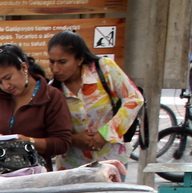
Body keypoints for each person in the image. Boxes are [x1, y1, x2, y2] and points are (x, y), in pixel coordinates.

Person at [47, 31, 144, 169]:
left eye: (62, 62)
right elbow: (48, 129)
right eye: (52, 61)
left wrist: (105, 133)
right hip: (72, 165)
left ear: (79, 59)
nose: (55, 68)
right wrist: (73, 139)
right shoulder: (52, 90)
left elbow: (134, 98)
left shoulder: (104, 68)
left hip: (111, 159)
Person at [0, 44, 72, 166]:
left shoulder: (51, 96)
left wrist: (28, 141)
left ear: (24, 67)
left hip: (34, 175)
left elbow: (62, 143)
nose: (6, 86)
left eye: (8, 78)